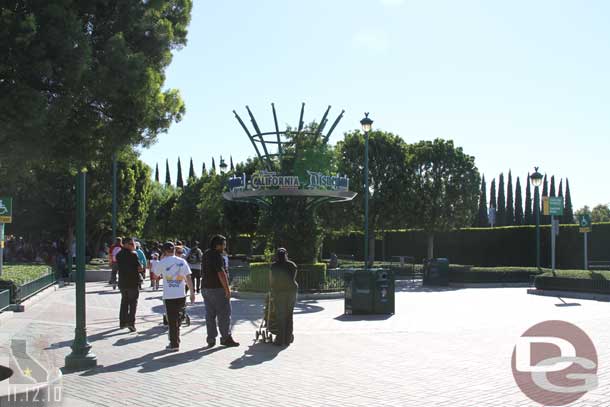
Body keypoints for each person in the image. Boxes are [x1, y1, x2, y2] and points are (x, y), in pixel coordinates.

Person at [152, 241, 196, 351]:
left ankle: (174, 343)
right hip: (181, 294)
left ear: (164, 251)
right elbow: (189, 278)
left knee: (172, 320)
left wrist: (161, 260)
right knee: (178, 318)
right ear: (174, 250)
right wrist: (192, 292)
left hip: (169, 296)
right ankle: (176, 339)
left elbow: (156, 275)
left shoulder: (162, 262)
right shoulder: (182, 261)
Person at [201, 234, 239, 348]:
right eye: (224, 244)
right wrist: (227, 289)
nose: (225, 246)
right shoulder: (217, 256)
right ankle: (226, 337)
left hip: (205, 288)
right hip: (217, 289)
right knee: (224, 314)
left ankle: (211, 338)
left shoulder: (206, 254)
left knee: (210, 314)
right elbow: (221, 273)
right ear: (218, 245)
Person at [270, 248, 298, 346]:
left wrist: (272, 289)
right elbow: (293, 278)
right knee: (289, 315)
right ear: (286, 254)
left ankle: (280, 339)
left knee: (280, 315)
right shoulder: (292, 265)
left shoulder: (274, 266)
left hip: (279, 292)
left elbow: (272, 280)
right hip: (291, 292)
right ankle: (287, 338)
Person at [116, 237, 143, 332]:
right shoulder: (133, 255)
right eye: (131, 244)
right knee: (133, 303)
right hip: (133, 282)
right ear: (125, 244)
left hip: (123, 282)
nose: (134, 246)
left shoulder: (118, 254)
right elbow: (140, 268)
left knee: (124, 302)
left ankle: (122, 322)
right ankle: (131, 323)